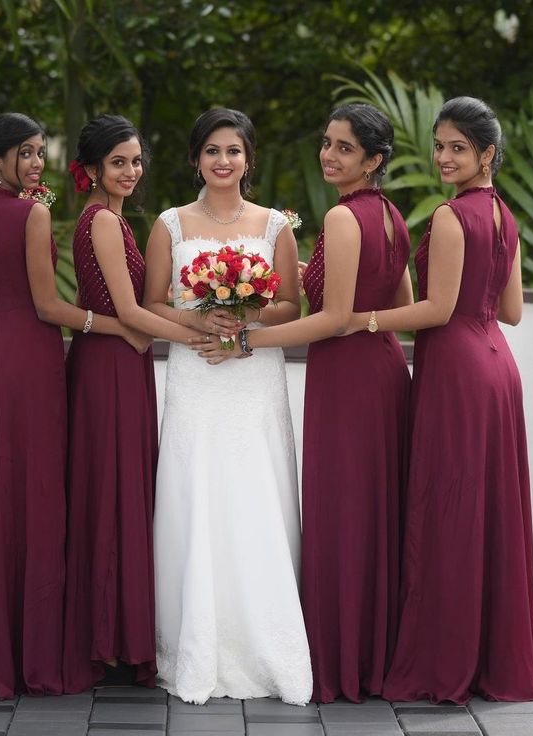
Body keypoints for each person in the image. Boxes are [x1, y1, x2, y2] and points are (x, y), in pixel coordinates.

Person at [193, 103, 413, 703]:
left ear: (372, 160)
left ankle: (346, 660)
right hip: (385, 369)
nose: (328, 155)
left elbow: (334, 318)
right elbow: (399, 306)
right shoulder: (392, 216)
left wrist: (248, 339)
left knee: (344, 516)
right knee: (373, 514)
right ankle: (376, 650)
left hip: (347, 380)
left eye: (344, 148)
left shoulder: (344, 218)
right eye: (327, 142)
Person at [0, 112, 143, 699]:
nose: (36, 162)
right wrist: (113, 325)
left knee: (0, 496)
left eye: (41, 151)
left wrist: (7, 289)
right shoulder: (35, 212)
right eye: (25, 152)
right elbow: (49, 306)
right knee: (41, 498)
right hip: (35, 365)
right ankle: (37, 654)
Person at [349, 97, 533, 703]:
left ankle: (444, 659)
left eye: (458, 147)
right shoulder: (506, 216)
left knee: (451, 510)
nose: (443, 157)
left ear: (487, 153)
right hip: (497, 370)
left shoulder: (452, 217)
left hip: (457, 372)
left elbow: (434, 310)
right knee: (487, 512)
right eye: (439, 146)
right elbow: (509, 312)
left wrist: (365, 319)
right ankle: (489, 657)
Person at [143, 108, 312, 705]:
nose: (223, 162)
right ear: (195, 159)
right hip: (195, 373)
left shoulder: (275, 227)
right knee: (198, 490)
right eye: (211, 151)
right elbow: (152, 302)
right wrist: (197, 320)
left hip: (250, 373)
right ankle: (193, 641)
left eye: (233, 151)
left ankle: (265, 640)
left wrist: (246, 319)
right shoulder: (170, 224)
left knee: (254, 491)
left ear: (249, 158)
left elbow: (293, 304)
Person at [62, 114, 204, 693]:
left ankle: (117, 634)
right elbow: (127, 311)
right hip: (108, 371)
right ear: (92, 168)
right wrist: (201, 335)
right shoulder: (100, 222)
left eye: (136, 161)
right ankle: (107, 640)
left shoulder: (116, 221)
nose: (130, 171)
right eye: (118, 161)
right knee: (111, 495)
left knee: (121, 493)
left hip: (124, 364)